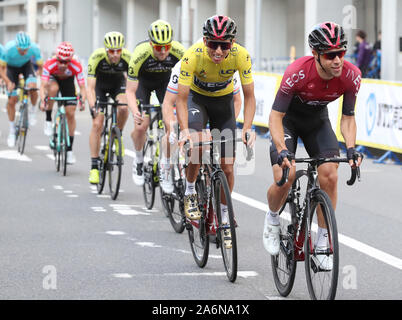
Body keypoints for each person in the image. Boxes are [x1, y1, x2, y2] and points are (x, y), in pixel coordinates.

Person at [263, 22, 363, 270]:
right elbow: (275, 117)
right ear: (315, 54)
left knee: (329, 174)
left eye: (341, 53)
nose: (338, 60)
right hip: (287, 121)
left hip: (317, 121)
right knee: (286, 176)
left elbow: (348, 117)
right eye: (330, 55)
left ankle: (322, 241)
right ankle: (272, 218)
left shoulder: (351, 76)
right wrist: (282, 149)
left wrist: (351, 149)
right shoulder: (296, 72)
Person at [176, 15, 256, 249]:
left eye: (225, 45)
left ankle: (223, 215)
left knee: (228, 166)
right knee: (198, 147)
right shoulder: (192, 55)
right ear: (205, 41)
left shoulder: (241, 55)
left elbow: (250, 97)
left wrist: (248, 127)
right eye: (213, 44)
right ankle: (190, 190)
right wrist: (184, 131)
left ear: (233, 43)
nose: (219, 51)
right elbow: (181, 99)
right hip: (196, 101)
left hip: (224, 105)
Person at [160, 58, 242, 194]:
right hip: (192, 103)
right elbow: (168, 102)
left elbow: (237, 101)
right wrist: (173, 127)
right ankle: (189, 188)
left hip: (217, 106)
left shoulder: (228, 64)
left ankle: (212, 193)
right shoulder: (184, 65)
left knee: (223, 154)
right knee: (197, 142)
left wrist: (227, 125)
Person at [126, 19, 185, 187]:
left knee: (171, 126)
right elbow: (130, 91)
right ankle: (138, 160)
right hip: (143, 84)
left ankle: (166, 167)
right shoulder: (139, 54)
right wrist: (134, 110)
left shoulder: (180, 52)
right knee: (140, 126)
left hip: (165, 84)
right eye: (159, 47)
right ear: (151, 44)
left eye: (167, 46)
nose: (163, 51)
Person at [87, 31, 131, 184]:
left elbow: (133, 83)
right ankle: (94, 167)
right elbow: (90, 87)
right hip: (99, 87)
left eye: (118, 51)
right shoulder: (96, 57)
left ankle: (117, 135)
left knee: (124, 108)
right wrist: (93, 107)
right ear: (106, 50)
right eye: (112, 51)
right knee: (97, 123)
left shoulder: (127, 58)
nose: (115, 55)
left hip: (117, 85)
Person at [39, 42, 87, 164]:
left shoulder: (76, 66)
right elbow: (43, 86)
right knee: (53, 90)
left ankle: (69, 150)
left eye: (66, 62)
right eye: (60, 61)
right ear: (57, 57)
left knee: (70, 113)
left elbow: (82, 87)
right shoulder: (49, 64)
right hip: (53, 80)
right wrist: (43, 100)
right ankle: (48, 119)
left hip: (68, 82)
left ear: (71, 60)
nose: (62, 65)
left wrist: (82, 101)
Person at [0, 31, 43, 147]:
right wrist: (8, 82)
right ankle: (11, 131)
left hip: (26, 66)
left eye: (26, 50)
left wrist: (38, 73)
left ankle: (33, 110)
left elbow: (40, 67)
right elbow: (1, 69)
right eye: (21, 50)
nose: (24, 52)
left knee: (33, 88)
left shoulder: (34, 48)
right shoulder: (8, 49)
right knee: (12, 100)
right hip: (11, 69)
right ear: (16, 46)